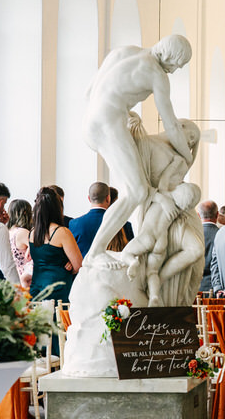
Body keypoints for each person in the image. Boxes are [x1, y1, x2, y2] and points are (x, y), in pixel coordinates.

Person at [82, 34, 194, 267]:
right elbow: (171, 125)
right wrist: (187, 154)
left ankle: (98, 251)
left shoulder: (125, 51)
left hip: (91, 121)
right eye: (176, 65)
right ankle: (95, 252)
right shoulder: (157, 75)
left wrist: (124, 113)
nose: (174, 70)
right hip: (108, 124)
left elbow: (89, 92)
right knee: (136, 191)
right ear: (170, 56)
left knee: (136, 189)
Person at [29, 187, 83, 301]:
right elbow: (78, 265)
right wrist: (68, 267)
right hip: (58, 288)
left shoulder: (32, 232)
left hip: (37, 287)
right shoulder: (62, 232)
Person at [68, 182, 111, 257]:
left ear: (89, 198)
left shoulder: (74, 224)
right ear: (108, 198)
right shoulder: (124, 224)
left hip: (84, 267)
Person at [7, 199, 33, 289]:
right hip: (25, 279)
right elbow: (38, 253)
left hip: (12, 278)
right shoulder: (23, 232)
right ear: (25, 213)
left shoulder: (8, 232)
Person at [198, 200, 219, 293]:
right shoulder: (220, 234)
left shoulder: (193, 234)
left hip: (195, 287)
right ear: (217, 215)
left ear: (198, 215)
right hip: (215, 287)